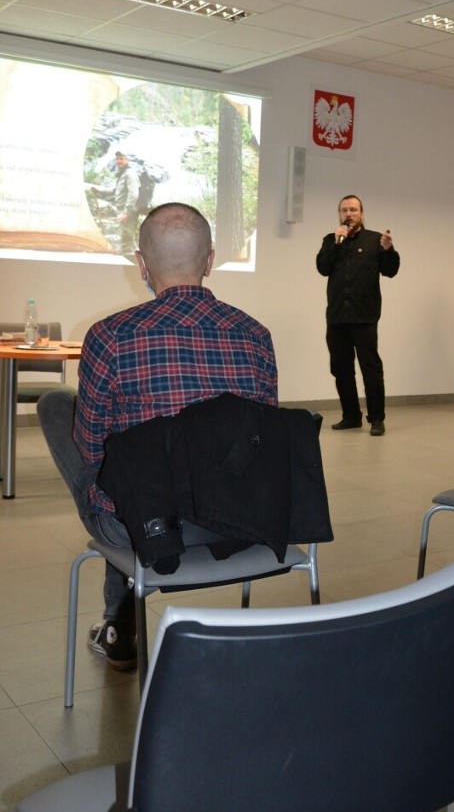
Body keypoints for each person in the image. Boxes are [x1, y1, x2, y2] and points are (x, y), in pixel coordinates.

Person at [37, 202, 278, 671]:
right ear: (209, 262)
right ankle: (119, 616)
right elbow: (261, 440)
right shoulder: (256, 336)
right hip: (237, 518)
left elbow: (90, 450)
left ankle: (118, 624)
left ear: (142, 265)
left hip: (144, 526)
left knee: (67, 416)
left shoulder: (110, 336)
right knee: (139, 462)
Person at [316, 194, 400, 436]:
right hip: (337, 317)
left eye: (353, 209)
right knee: (341, 369)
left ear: (362, 214)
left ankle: (376, 418)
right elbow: (322, 268)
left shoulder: (375, 240)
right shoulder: (331, 240)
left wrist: (389, 250)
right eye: (344, 210)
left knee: (370, 368)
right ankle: (351, 416)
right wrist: (336, 242)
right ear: (339, 215)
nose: (349, 214)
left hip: (364, 316)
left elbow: (390, 271)